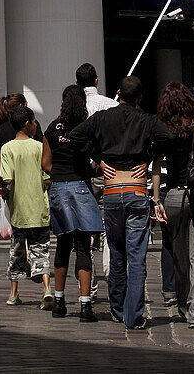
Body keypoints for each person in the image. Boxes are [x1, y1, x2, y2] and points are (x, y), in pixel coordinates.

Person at [69, 75, 172, 330]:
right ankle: (134, 315)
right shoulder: (147, 120)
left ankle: (117, 307)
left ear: (118, 93)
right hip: (137, 189)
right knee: (136, 256)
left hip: (112, 189)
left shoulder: (103, 118)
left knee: (116, 251)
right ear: (140, 97)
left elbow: (76, 136)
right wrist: (147, 158)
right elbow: (167, 137)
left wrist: (98, 159)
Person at [151, 82, 194, 327]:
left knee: (179, 257)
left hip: (173, 196)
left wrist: (156, 200)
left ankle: (183, 305)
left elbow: (157, 168)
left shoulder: (162, 129)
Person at [43, 84, 103, 323]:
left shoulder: (51, 128)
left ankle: (58, 301)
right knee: (83, 247)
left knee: (62, 244)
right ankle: (85, 305)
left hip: (58, 186)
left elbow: (45, 163)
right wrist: (90, 169)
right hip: (80, 184)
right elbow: (95, 163)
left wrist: (58, 174)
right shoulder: (85, 128)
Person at [0, 105, 53, 310]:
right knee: (42, 250)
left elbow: (7, 179)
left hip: (19, 210)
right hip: (39, 208)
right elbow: (47, 178)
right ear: (27, 124)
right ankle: (46, 289)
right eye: (34, 122)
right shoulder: (40, 147)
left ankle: (13, 293)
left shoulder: (8, 148)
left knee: (17, 252)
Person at [76, 62, 118, 289]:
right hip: (109, 171)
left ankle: (88, 285)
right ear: (96, 81)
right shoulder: (111, 105)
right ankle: (111, 274)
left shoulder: (76, 107)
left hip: (83, 173)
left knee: (86, 229)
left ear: (76, 82)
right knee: (108, 226)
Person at [0, 93, 43, 198]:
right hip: (33, 184)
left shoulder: (0, 128)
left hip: (9, 186)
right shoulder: (32, 125)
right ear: (21, 106)